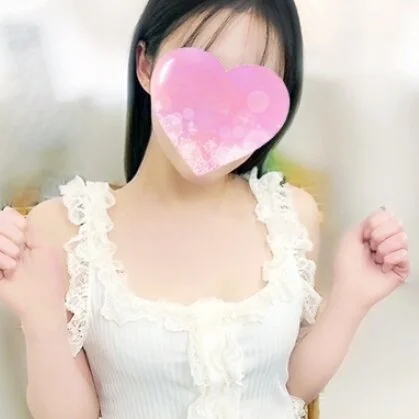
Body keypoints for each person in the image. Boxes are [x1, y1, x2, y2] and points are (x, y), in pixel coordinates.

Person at [0, 1, 410, 418]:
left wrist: (352, 297)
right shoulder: (66, 229)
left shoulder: (290, 216)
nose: (218, 108)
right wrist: (40, 317)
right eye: (198, 68)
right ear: (146, 65)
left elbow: (290, 388)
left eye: (253, 85)